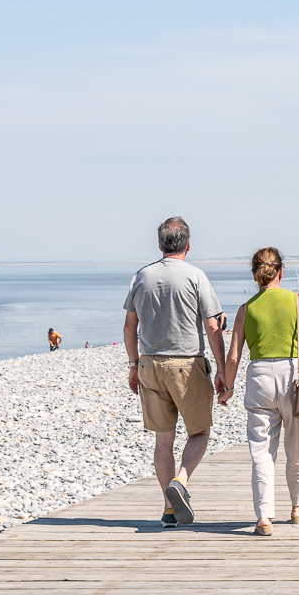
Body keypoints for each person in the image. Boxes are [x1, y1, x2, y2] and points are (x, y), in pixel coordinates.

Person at [123, 216, 229, 528]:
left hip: (150, 363)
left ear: (159, 244)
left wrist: (133, 365)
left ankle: (169, 509)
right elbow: (212, 325)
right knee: (199, 432)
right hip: (186, 363)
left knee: (163, 439)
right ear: (188, 244)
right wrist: (222, 369)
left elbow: (130, 326)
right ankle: (180, 481)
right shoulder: (196, 276)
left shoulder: (141, 277)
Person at [223, 247, 299, 536]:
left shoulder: (246, 308)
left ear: (255, 276)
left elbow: (233, 357)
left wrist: (227, 389)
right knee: (298, 446)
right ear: (280, 271)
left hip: (260, 378)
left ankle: (264, 517)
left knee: (261, 451)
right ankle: (297, 508)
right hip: (294, 375)